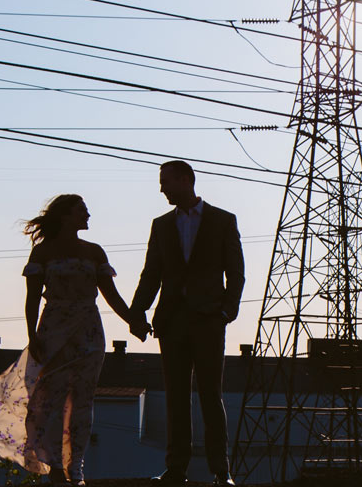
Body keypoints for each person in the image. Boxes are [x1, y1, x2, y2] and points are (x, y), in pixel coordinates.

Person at [0, 194, 144, 485]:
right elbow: (32, 298)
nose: (88, 216)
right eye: (82, 211)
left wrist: (133, 322)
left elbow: (111, 295)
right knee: (50, 401)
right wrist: (31, 334)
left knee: (82, 402)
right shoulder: (43, 252)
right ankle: (55, 466)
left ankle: (76, 467)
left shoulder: (95, 252)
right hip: (53, 330)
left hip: (88, 332)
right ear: (65, 215)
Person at [130, 161, 246, 485]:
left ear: (185, 180)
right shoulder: (161, 225)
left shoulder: (223, 221)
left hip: (209, 320)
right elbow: (151, 273)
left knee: (211, 395)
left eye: (165, 181)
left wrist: (227, 312)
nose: (161, 188)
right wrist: (137, 312)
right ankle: (176, 469)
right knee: (176, 397)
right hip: (171, 323)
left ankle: (221, 472)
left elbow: (235, 272)